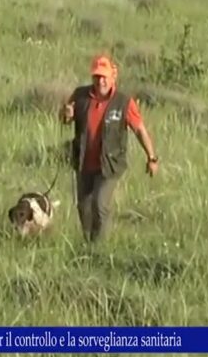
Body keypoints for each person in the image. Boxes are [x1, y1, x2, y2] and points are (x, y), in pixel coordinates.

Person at [60, 53, 159, 242]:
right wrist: (66, 113)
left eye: (104, 76)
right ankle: (88, 244)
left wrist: (152, 158)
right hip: (83, 162)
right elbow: (65, 119)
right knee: (83, 206)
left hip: (110, 164)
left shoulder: (124, 103)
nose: (100, 81)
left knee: (100, 204)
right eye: (97, 76)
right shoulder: (80, 96)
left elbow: (140, 130)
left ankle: (99, 249)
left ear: (113, 77)